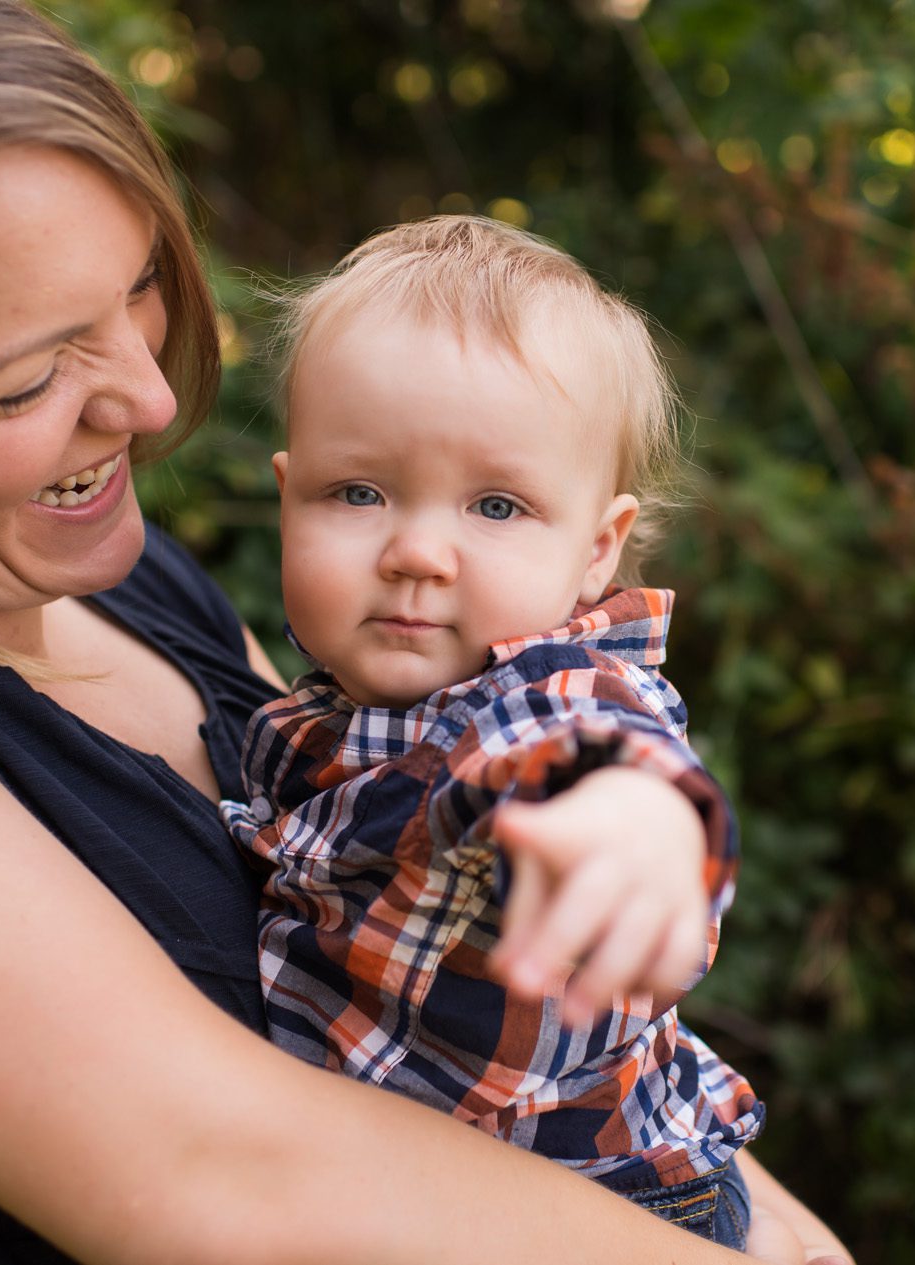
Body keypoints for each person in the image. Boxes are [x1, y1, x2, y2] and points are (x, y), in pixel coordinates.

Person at [0, 1, 852, 1261]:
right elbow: (225, 1181)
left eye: (138, 291)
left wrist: (763, 1217)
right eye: (25, 378)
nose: (151, 393)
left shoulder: (114, 582)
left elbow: (499, 821)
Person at [223, 216, 767, 1248]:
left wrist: (636, 820)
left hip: (600, 1209)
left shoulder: (541, 687)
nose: (418, 550)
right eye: (359, 491)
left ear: (596, 548)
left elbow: (586, 742)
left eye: (498, 506)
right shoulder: (323, 714)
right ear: (286, 497)